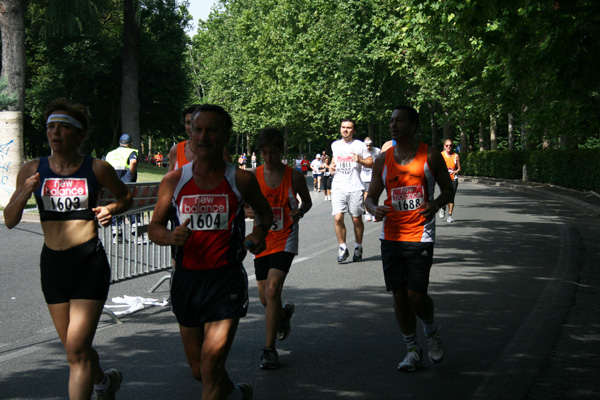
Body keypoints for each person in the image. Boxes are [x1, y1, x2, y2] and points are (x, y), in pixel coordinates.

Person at [3, 98, 133, 399]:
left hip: (88, 262)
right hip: (53, 265)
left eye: (63, 127)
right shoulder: (32, 169)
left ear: (79, 134)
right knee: (76, 350)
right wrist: (24, 192)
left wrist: (111, 208)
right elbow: (9, 220)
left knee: (75, 350)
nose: (55, 132)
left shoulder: (97, 168)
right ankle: (104, 382)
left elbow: (125, 197)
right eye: (50, 127)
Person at [148, 104, 271, 399]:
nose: (203, 136)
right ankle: (238, 394)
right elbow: (155, 228)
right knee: (199, 371)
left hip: (225, 280)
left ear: (226, 136)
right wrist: (170, 236)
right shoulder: (174, 181)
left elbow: (265, 216)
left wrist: (258, 234)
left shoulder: (240, 179)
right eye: (198, 130)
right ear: (190, 135)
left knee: (211, 365)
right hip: (186, 280)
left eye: (212, 130)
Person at [365, 105, 454, 373]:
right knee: (399, 295)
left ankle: (430, 329)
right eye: (391, 121)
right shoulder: (383, 159)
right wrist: (374, 209)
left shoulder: (430, 155)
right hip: (391, 235)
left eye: (400, 121)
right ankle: (412, 349)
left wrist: (435, 204)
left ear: (413, 125)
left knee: (416, 295)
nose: (393, 125)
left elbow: (448, 190)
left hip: (420, 235)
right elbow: (370, 197)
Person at [248, 127, 312, 369]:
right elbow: (245, 205)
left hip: (285, 237)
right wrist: (248, 211)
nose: (268, 157)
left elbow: (307, 201)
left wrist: (300, 211)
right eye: (264, 152)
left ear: (281, 151)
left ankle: (269, 350)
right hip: (262, 239)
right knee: (266, 299)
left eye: (272, 152)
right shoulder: (253, 175)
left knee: (273, 291)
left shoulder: (293, 176)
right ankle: (283, 316)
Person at [329, 119, 373, 263]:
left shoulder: (359, 145)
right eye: (343, 127)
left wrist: (359, 159)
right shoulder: (335, 145)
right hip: (338, 187)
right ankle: (342, 247)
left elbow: (371, 162)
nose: (345, 130)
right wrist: (331, 167)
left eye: (349, 128)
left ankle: (358, 247)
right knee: (337, 217)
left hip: (355, 187)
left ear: (353, 131)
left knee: (356, 219)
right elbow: (334, 161)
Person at [168, 104, 233, 173]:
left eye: (195, 124)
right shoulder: (176, 150)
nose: (191, 127)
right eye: (188, 123)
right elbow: (169, 178)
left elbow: (230, 178)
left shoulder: (220, 151)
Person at [105, 133, 142, 243]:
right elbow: (133, 162)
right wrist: (129, 177)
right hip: (126, 184)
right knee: (132, 206)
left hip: (112, 185)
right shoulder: (130, 152)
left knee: (116, 208)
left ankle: (117, 236)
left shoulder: (110, 153)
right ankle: (138, 235)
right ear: (130, 143)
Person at [439, 139, 461, 223]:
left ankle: (450, 215)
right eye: (447, 145)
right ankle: (443, 208)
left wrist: (455, 171)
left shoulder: (455, 156)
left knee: (451, 196)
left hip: (453, 178)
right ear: (444, 146)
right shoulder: (441, 155)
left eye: (450, 145)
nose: (449, 147)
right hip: (444, 178)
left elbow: (459, 168)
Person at [360, 137, 381, 222]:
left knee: (375, 194)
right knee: (366, 194)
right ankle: (367, 213)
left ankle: (374, 212)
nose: (368, 147)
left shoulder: (377, 151)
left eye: (370, 145)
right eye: (367, 145)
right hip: (365, 176)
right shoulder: (361, 151)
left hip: (375, 175)